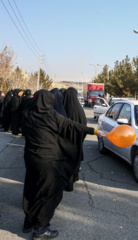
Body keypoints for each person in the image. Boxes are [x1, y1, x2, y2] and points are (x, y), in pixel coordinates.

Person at [22, 90, 105, 239]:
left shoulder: (28, 114)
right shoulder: (51, 115)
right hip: (48, 161)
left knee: (33, 188)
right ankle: (41, 229)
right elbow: (72, 125)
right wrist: (94, 131)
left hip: (30, 158)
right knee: (50, 193)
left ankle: (29, 222)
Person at [62, 87, 87, 184]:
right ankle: (74, 177)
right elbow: (84, 124)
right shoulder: (79, 109)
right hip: (76, 140)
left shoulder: (62, 108)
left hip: (64, 141)